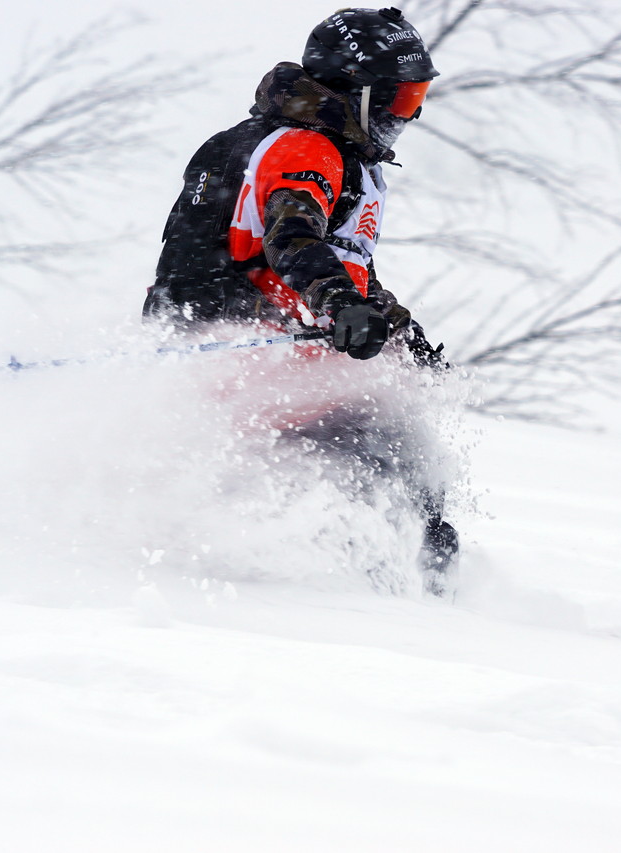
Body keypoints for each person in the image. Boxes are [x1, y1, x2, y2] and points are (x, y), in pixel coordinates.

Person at [144, 7, 458, 591]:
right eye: (398, 100)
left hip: (225, 351)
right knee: (392, 458)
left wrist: (397, 329)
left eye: (416, 99)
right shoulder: (306, 150)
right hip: (249, 352)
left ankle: (377, 585)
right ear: (356, 93)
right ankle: (391, 600)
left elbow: (340, 262)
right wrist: (343, 307)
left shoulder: (290, 144)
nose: (406, 116)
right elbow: (293, 241)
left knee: (388, 458)